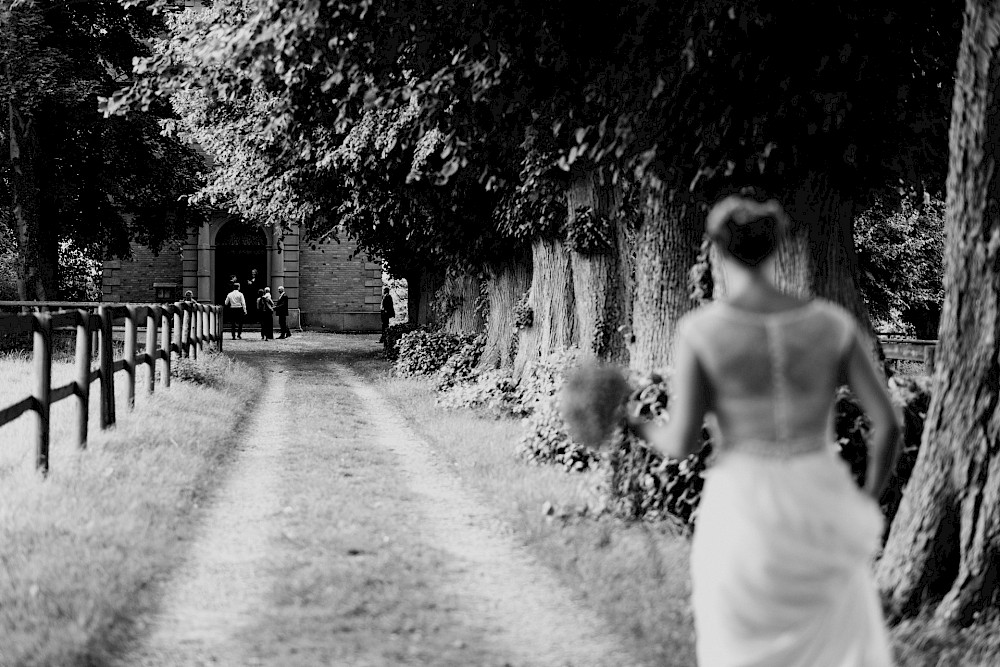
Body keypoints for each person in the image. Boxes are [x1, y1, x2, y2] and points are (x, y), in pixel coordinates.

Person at [629, 195, 901, 666]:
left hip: (742, 504)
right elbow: (889, 424)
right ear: (777, 250)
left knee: (740, 648)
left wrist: (634, 423)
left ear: (716, 252)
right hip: (820, 497)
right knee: (834, 649)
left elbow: (680, 443)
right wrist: (866, 499)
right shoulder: (831, 325)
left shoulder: (702, 332)